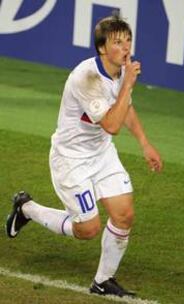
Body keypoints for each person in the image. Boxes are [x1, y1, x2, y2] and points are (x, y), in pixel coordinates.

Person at [5, 14, 162, 298]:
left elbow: (125, 109)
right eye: (118, 42)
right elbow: (112, 125)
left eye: (128, 40)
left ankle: (103, 281)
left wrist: (145, 144)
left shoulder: (118, 74)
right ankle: (27, 209)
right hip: (72, 160)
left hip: (102, 154)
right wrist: (128, 84)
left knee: (124, 215)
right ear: (102, 48)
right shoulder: (86, 77)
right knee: (87, 229)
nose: (126, 47)